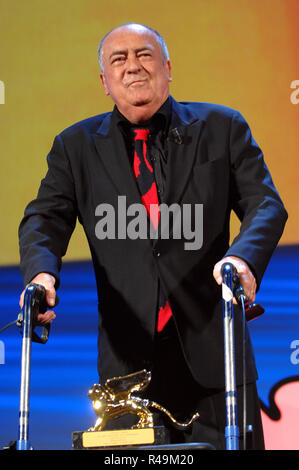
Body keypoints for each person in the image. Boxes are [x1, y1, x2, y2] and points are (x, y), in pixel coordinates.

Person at [18, 23, 287, 449]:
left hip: (217, 364)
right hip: (126, 371)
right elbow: (44, 220)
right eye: (118, 60)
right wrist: (41, 275)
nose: (133, 67)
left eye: (144, 55)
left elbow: (266, 205)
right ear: (105, 82)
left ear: (167, 67)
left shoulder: (222, 127)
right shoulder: (75, 146)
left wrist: (244, 259)